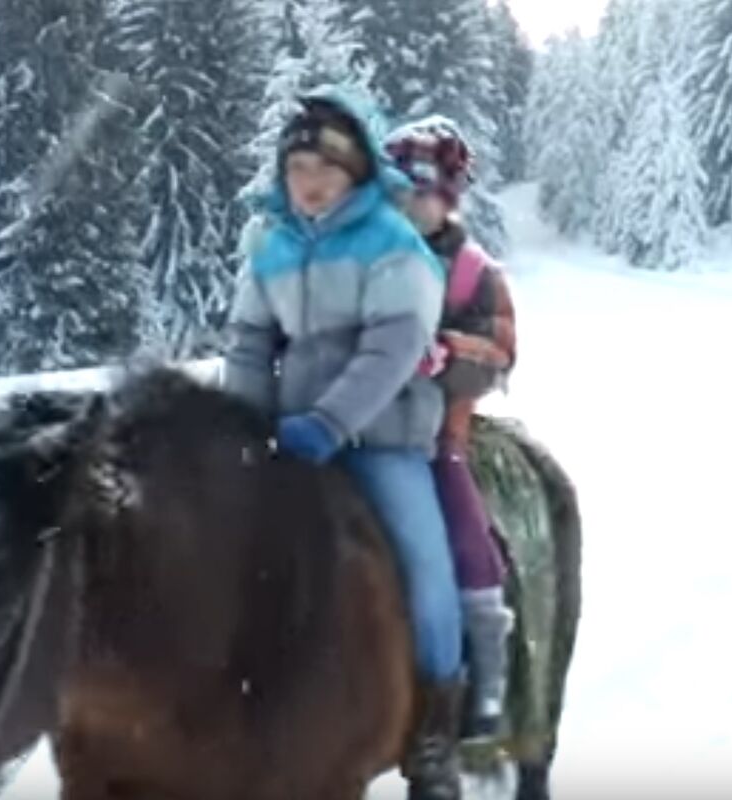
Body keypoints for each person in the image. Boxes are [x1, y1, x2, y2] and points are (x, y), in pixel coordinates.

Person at [223, 86, 464, 799]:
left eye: (326, 168)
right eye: (298, 168)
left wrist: (329, 423)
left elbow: (395, 347)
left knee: (426, 565)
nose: (311, 182)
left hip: (383, 438)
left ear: (357, 172)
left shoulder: (394, 243)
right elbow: (248, 342)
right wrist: (246, 429)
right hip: (290, 436)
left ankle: (436, 731)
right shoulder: (269, 243)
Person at [384, 116, 517, 739]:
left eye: (426, 194)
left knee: (463, 525)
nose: (412, 206)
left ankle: (485, 665)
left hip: (439, 429)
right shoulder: (363, 258)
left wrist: (447, 353)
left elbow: (500, 350)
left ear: (449, 198)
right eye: (401, 194)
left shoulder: (473, 272)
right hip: (356, 420)